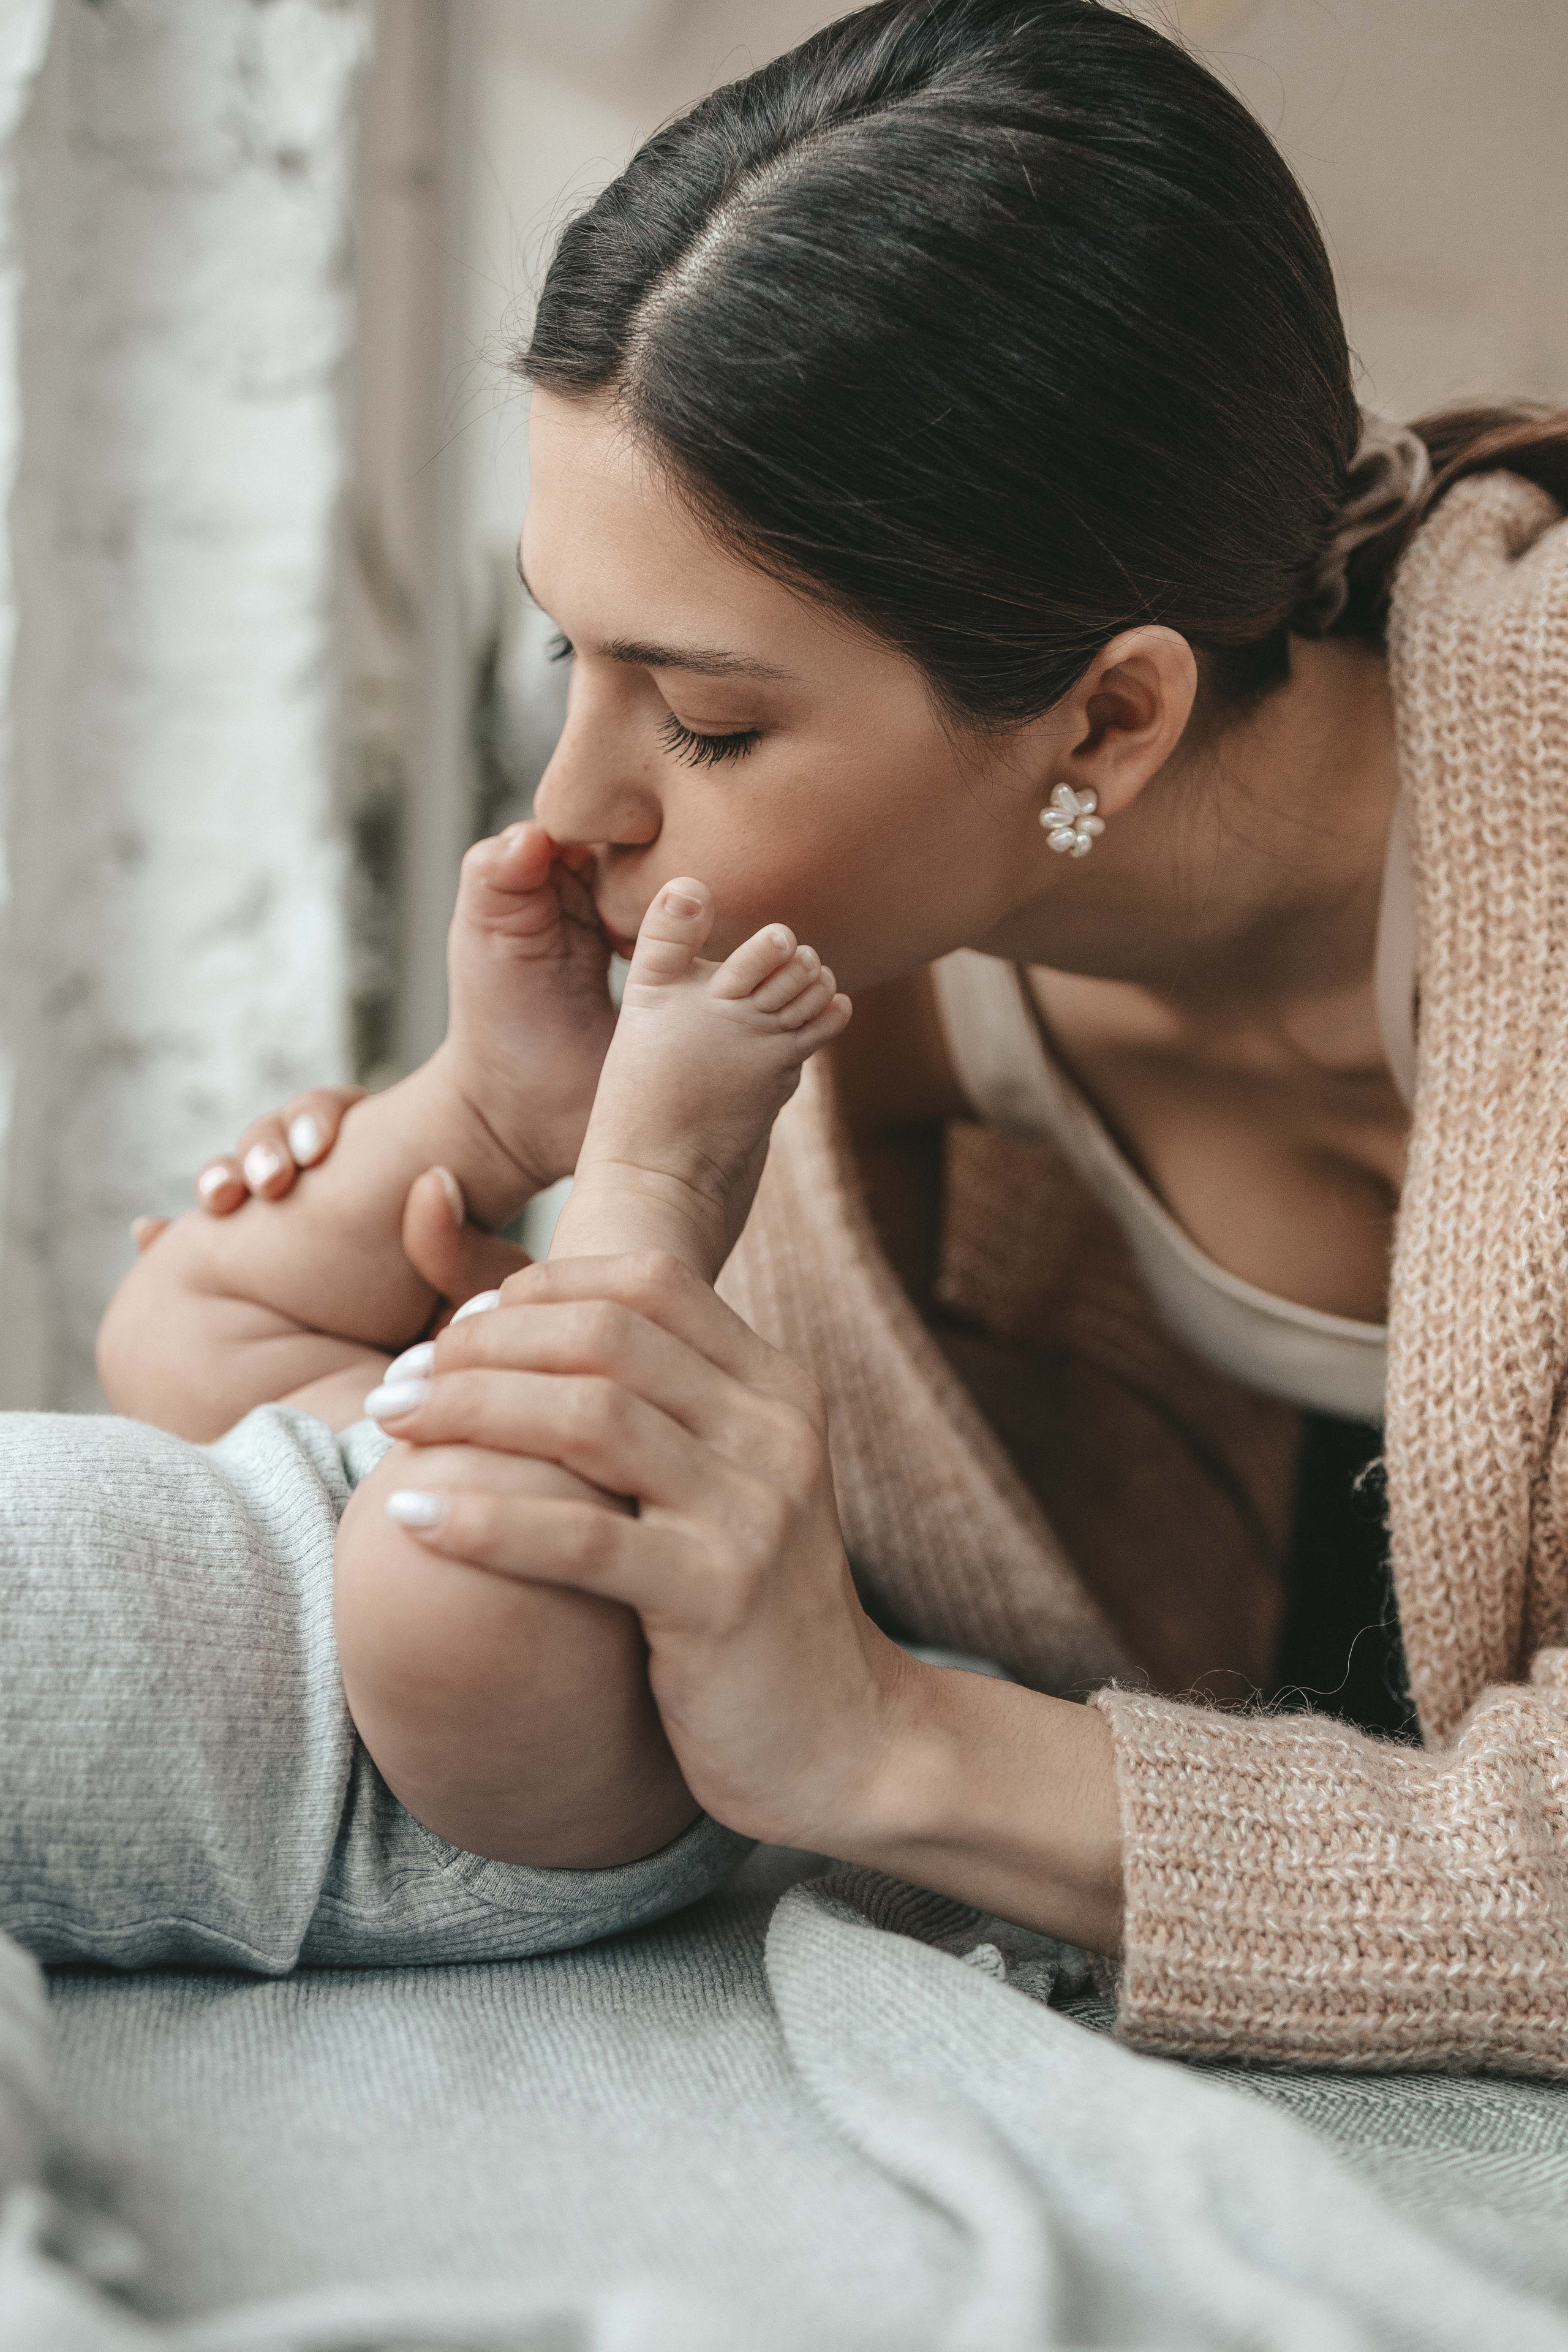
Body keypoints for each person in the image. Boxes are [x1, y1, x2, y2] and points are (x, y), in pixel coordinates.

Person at [162, 0, 1568, 2071]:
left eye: (707, 721)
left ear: (1110, 718)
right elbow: (279, 1439)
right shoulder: (805, 996)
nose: (565, 806)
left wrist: (892, 1744)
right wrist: (471, 1130)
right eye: (567, 652)